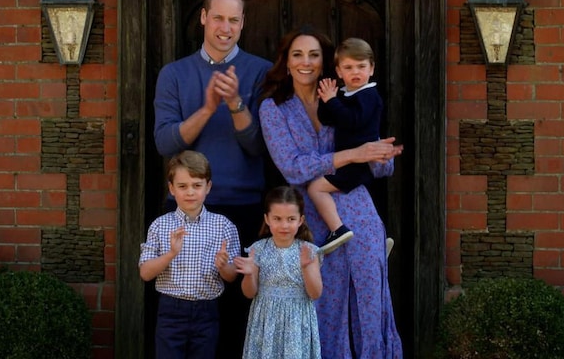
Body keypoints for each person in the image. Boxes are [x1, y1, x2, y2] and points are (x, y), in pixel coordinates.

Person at [258, 26, 404, 358]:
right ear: (287, 61)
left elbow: (377, 164)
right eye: (297, 55)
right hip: (311, 219)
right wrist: (353, 155)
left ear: (326, 64)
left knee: (370, 301)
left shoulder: (349, 98)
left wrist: (381, 156)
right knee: (324, 304)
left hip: (359, 210)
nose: (305, 62)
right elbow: (292, 167)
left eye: (314, 55)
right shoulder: (273, 108)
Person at [152, 0, 272, 356]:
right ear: (203, 18)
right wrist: (206, 108)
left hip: (244, 208)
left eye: (233, 20)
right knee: (185, 316)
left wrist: (235, 103)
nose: (225, 27)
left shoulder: (261, 72)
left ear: (243, 23)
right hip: (186, 210)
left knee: (238, 315)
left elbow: (259, 146)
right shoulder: (174, 74)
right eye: (218, 17)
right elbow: (164, 142)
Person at [138, 150, 242, 358]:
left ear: (208, 187)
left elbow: (232, 276)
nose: (190, 193)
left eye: (197, 186)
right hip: (170, 311)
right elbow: (145, 273)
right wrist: (170, 254)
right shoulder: (160, 225)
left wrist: (223, 266)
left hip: (207, 311)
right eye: (182, 186)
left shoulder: (223, 226)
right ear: (171, 189)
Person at [308, 37, 381, 254]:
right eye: (348, 67)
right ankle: (373, 242)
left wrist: (333, 101)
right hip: (348, 163)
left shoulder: (369, 96)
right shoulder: (347, 94)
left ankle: (337, 230)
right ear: (339, 72)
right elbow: (328, 118)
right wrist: (326, 99)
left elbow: (352, 120)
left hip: (357, 165)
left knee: (315, 188)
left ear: (372, 68)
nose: (355, 72)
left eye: (361, 66)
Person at [234, 186, 322, 359]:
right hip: (265, 321)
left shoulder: (309, 251)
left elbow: (315, 293)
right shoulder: (258, 249)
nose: (284, 225)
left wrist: (306, 268)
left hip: (297, 322)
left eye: (291, 219)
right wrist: (250, 274)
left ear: (300, 220)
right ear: (267, 219)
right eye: (277, 218)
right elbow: (249, 293)